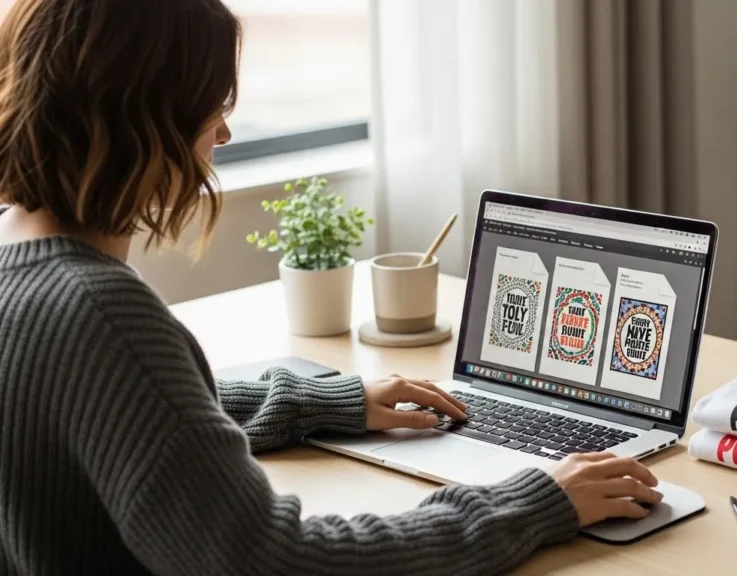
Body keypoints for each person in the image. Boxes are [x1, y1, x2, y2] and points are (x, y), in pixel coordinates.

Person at [0, 1, 663, 574]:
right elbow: (277, 560)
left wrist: (327, 402)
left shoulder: (25, 275)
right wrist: (535, 502)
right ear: (142, 114)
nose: (224, 131)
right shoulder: (102, 315)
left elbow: (134, 422)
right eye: (210, 101)